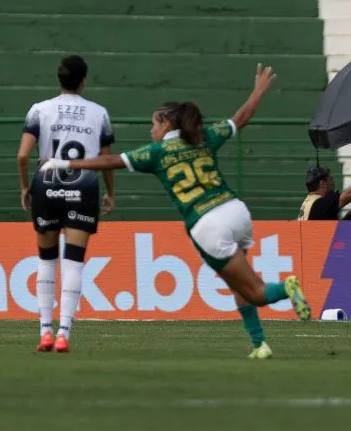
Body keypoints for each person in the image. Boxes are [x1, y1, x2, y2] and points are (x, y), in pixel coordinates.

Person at [41, 64, 311, 359]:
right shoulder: (203, 136)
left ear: (167, 125)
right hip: (236, 211)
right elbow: (240, 119)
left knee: (255, 292)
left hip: (207, 224)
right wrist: (259, 89)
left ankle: (287, 287)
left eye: (154, 124)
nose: (151, 129)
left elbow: (110, 162)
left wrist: (67, 164)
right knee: (238, 283)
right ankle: (259, 344)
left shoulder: (156, 153)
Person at [17, 55, 116, 354]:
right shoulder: (99, 113)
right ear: (84, 80)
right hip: (83, 188)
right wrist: (110, 191)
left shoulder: (39, 110)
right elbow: (106, 159)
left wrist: (25, 186)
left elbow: (22, 156)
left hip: (45, 186)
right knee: (74, 261)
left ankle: (45, 332)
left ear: (59, 79)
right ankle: (64, 334)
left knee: (46, 260)